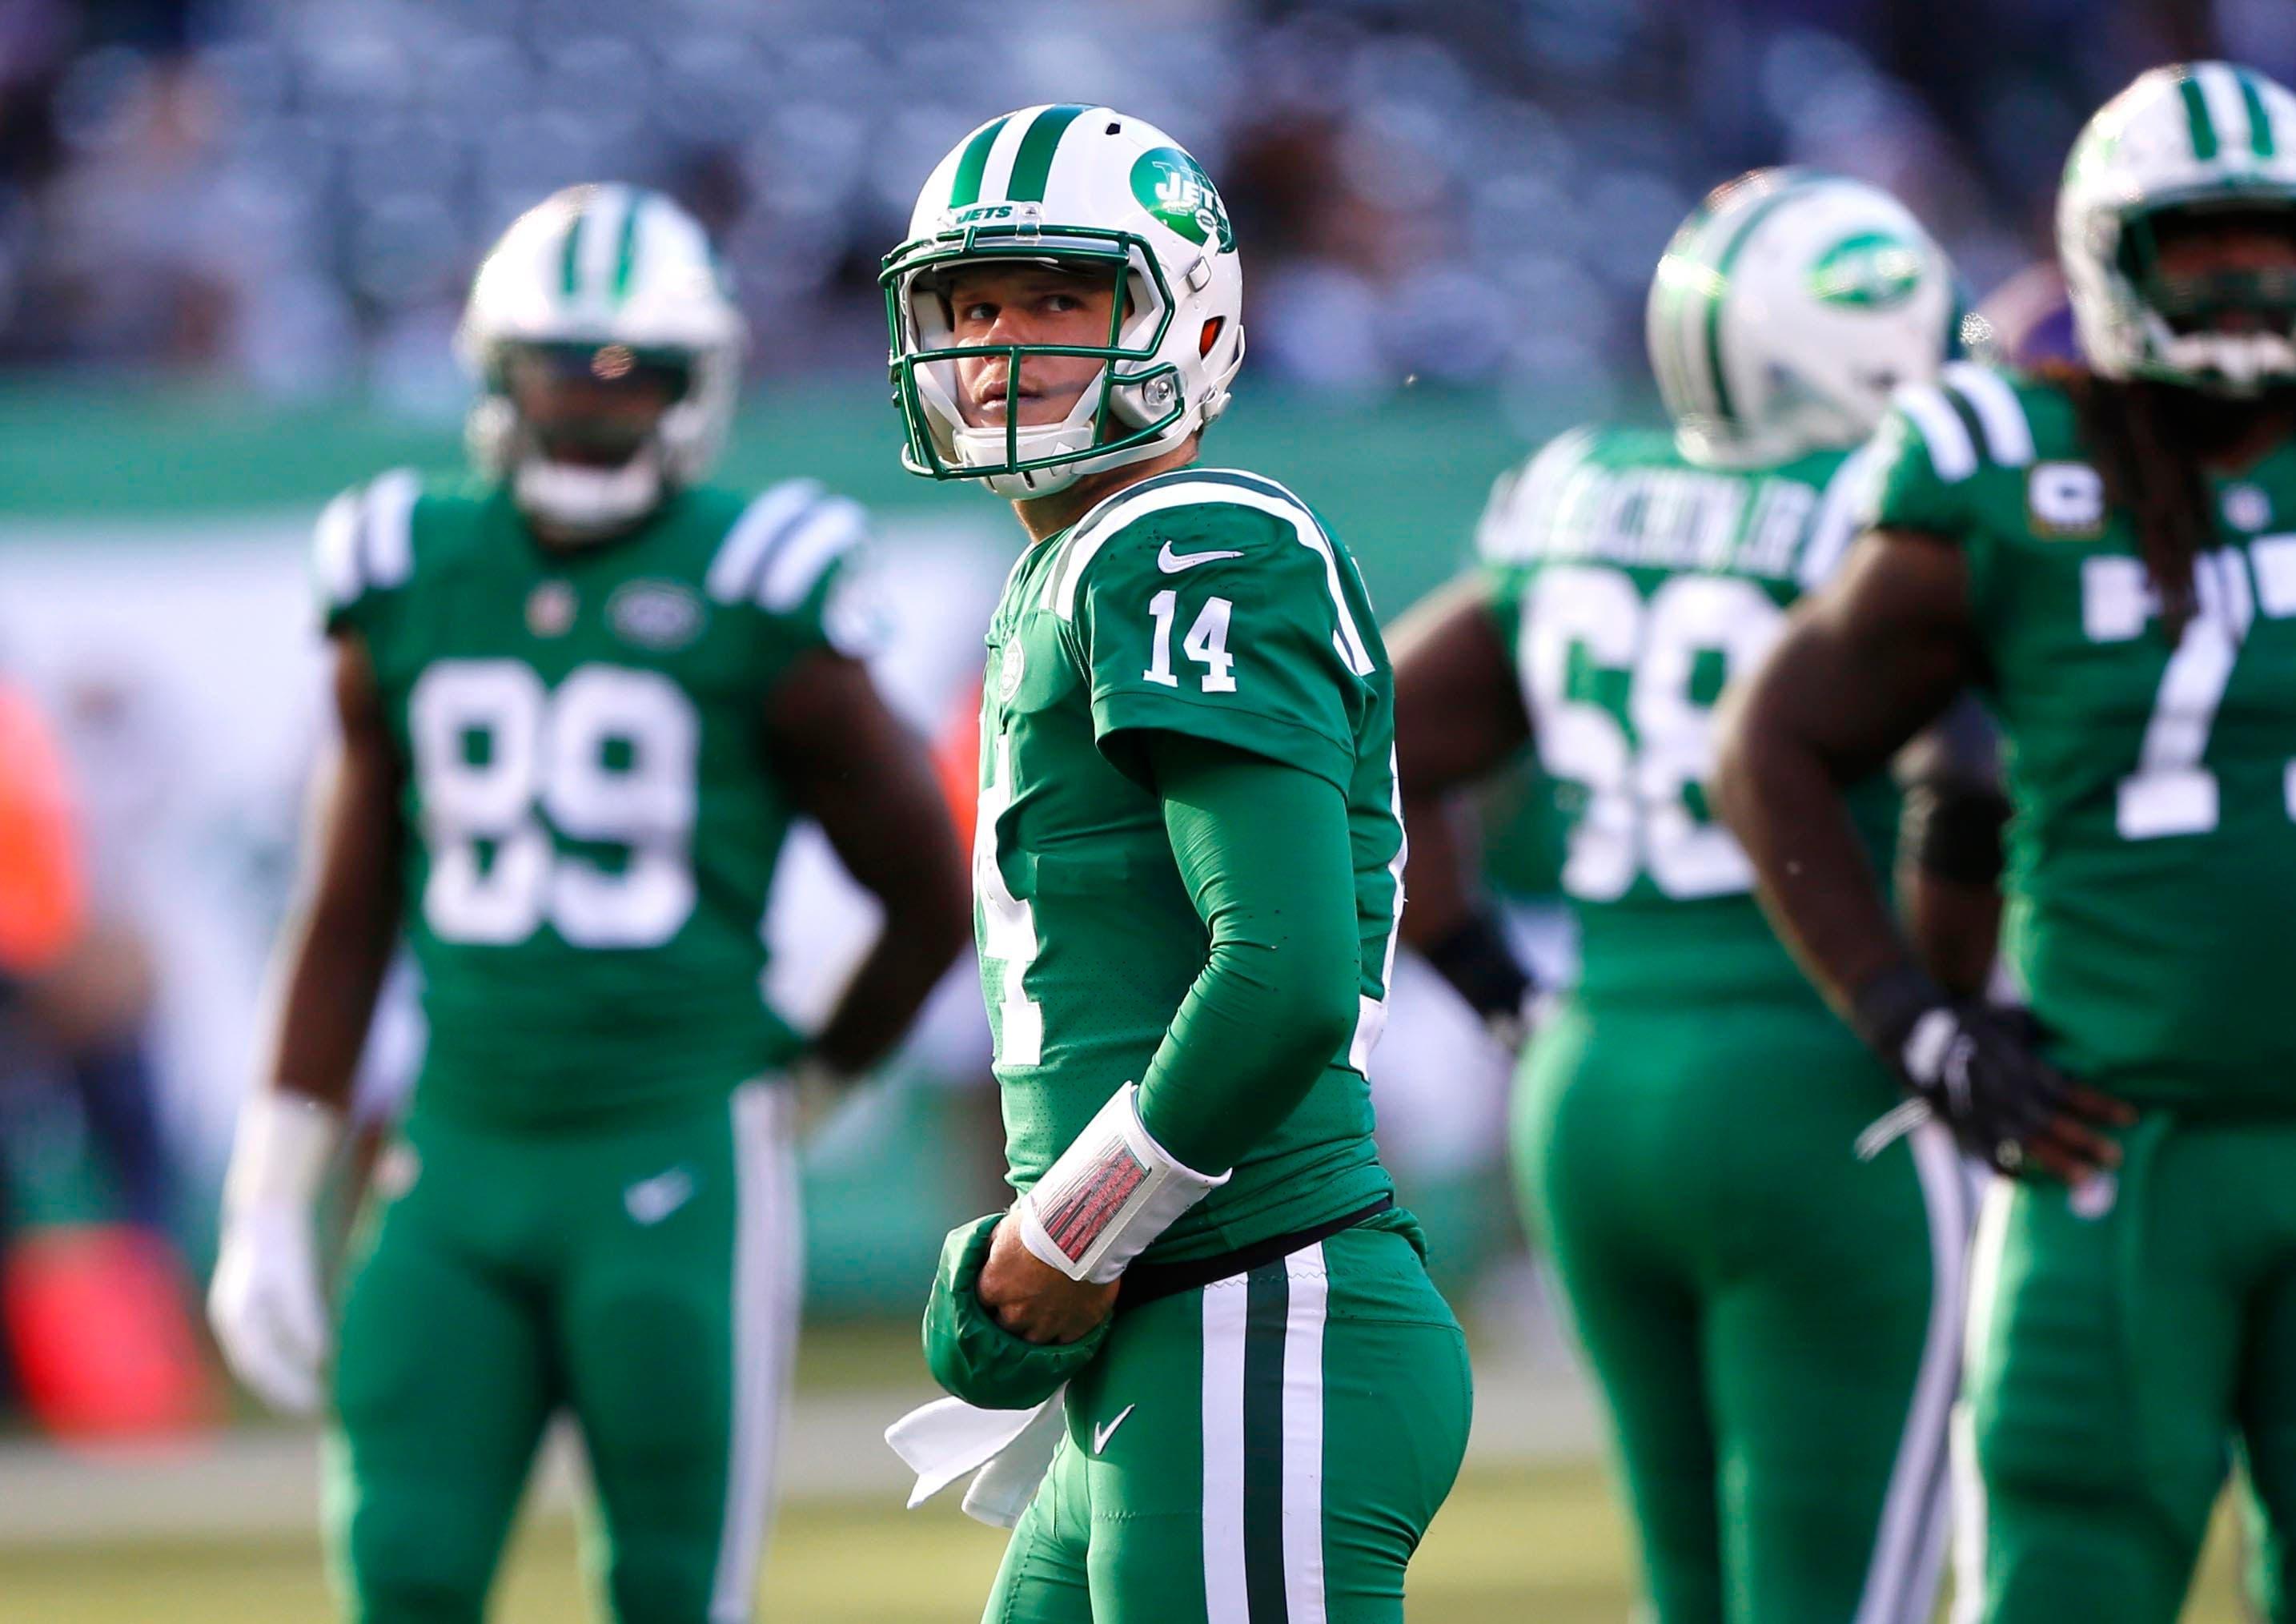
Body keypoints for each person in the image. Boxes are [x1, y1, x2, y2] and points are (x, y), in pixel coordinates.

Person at [206, 183, 969, 1622]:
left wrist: (808, 1076)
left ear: (702, 388)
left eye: (638, 378)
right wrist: (273, 1188)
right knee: (404, 1574)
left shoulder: (763, 584)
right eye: (567, 370)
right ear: (496, 376)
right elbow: (351, 904)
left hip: (673, 1148)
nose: (599, 407)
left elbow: (931, 892)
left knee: (672, 1591)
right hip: (456, 1155)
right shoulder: (408, 568)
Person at [1712, 62, 2296, 1624]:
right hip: (2128, 1146)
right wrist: (1915, 1021)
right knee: (2066, 1582)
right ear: (2115, 258)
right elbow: (1773, 743)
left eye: (2272, 239)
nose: (2245, 277)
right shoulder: (2004, 461)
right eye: (2202, 243)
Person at [881, 106, 1471, 1621]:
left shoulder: (1189, 535)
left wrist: (1055, 1241)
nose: (1003, 342)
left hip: (1251, 1304)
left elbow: (1276, 980)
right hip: (1172, 1325)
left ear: (1186, 317)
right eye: (972, 304)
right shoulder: (1073, 561)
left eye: (1061, 298)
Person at [1388, 168, 1999, 1622]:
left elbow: (1368, 738)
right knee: (1839, 1592)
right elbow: (1968, 779)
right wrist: (1946, 1012)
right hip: (1822, 1085)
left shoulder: (1582, 488)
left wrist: (1486, 977)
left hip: (1593, 1084)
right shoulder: (1886, 506)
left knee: (1692, 1589)